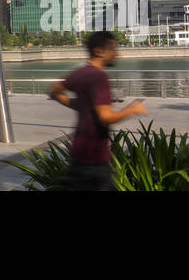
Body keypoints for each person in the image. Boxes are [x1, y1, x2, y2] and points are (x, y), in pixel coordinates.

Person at [46, 31, 147, 191]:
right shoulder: (99, 77)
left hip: (79, 156)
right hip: (94, 162)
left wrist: (78, 104)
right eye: (113, 49)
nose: (117, 54)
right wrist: (131, 109)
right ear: (99, 51)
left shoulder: (80, 73)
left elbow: (53, 91)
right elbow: (105, 117)